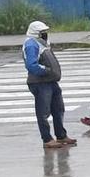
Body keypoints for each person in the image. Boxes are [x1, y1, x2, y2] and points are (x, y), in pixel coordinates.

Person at [21, 21, 74, 150]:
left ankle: (61, 135)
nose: (45, 34)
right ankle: (47, 139)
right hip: (40, 83)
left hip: (51, 82)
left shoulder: (42, 43)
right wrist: (46, 71)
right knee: (43, 112)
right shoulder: (31, 44)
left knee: (58, 108)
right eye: (42, 32)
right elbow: (32, 65)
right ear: (36, 33)